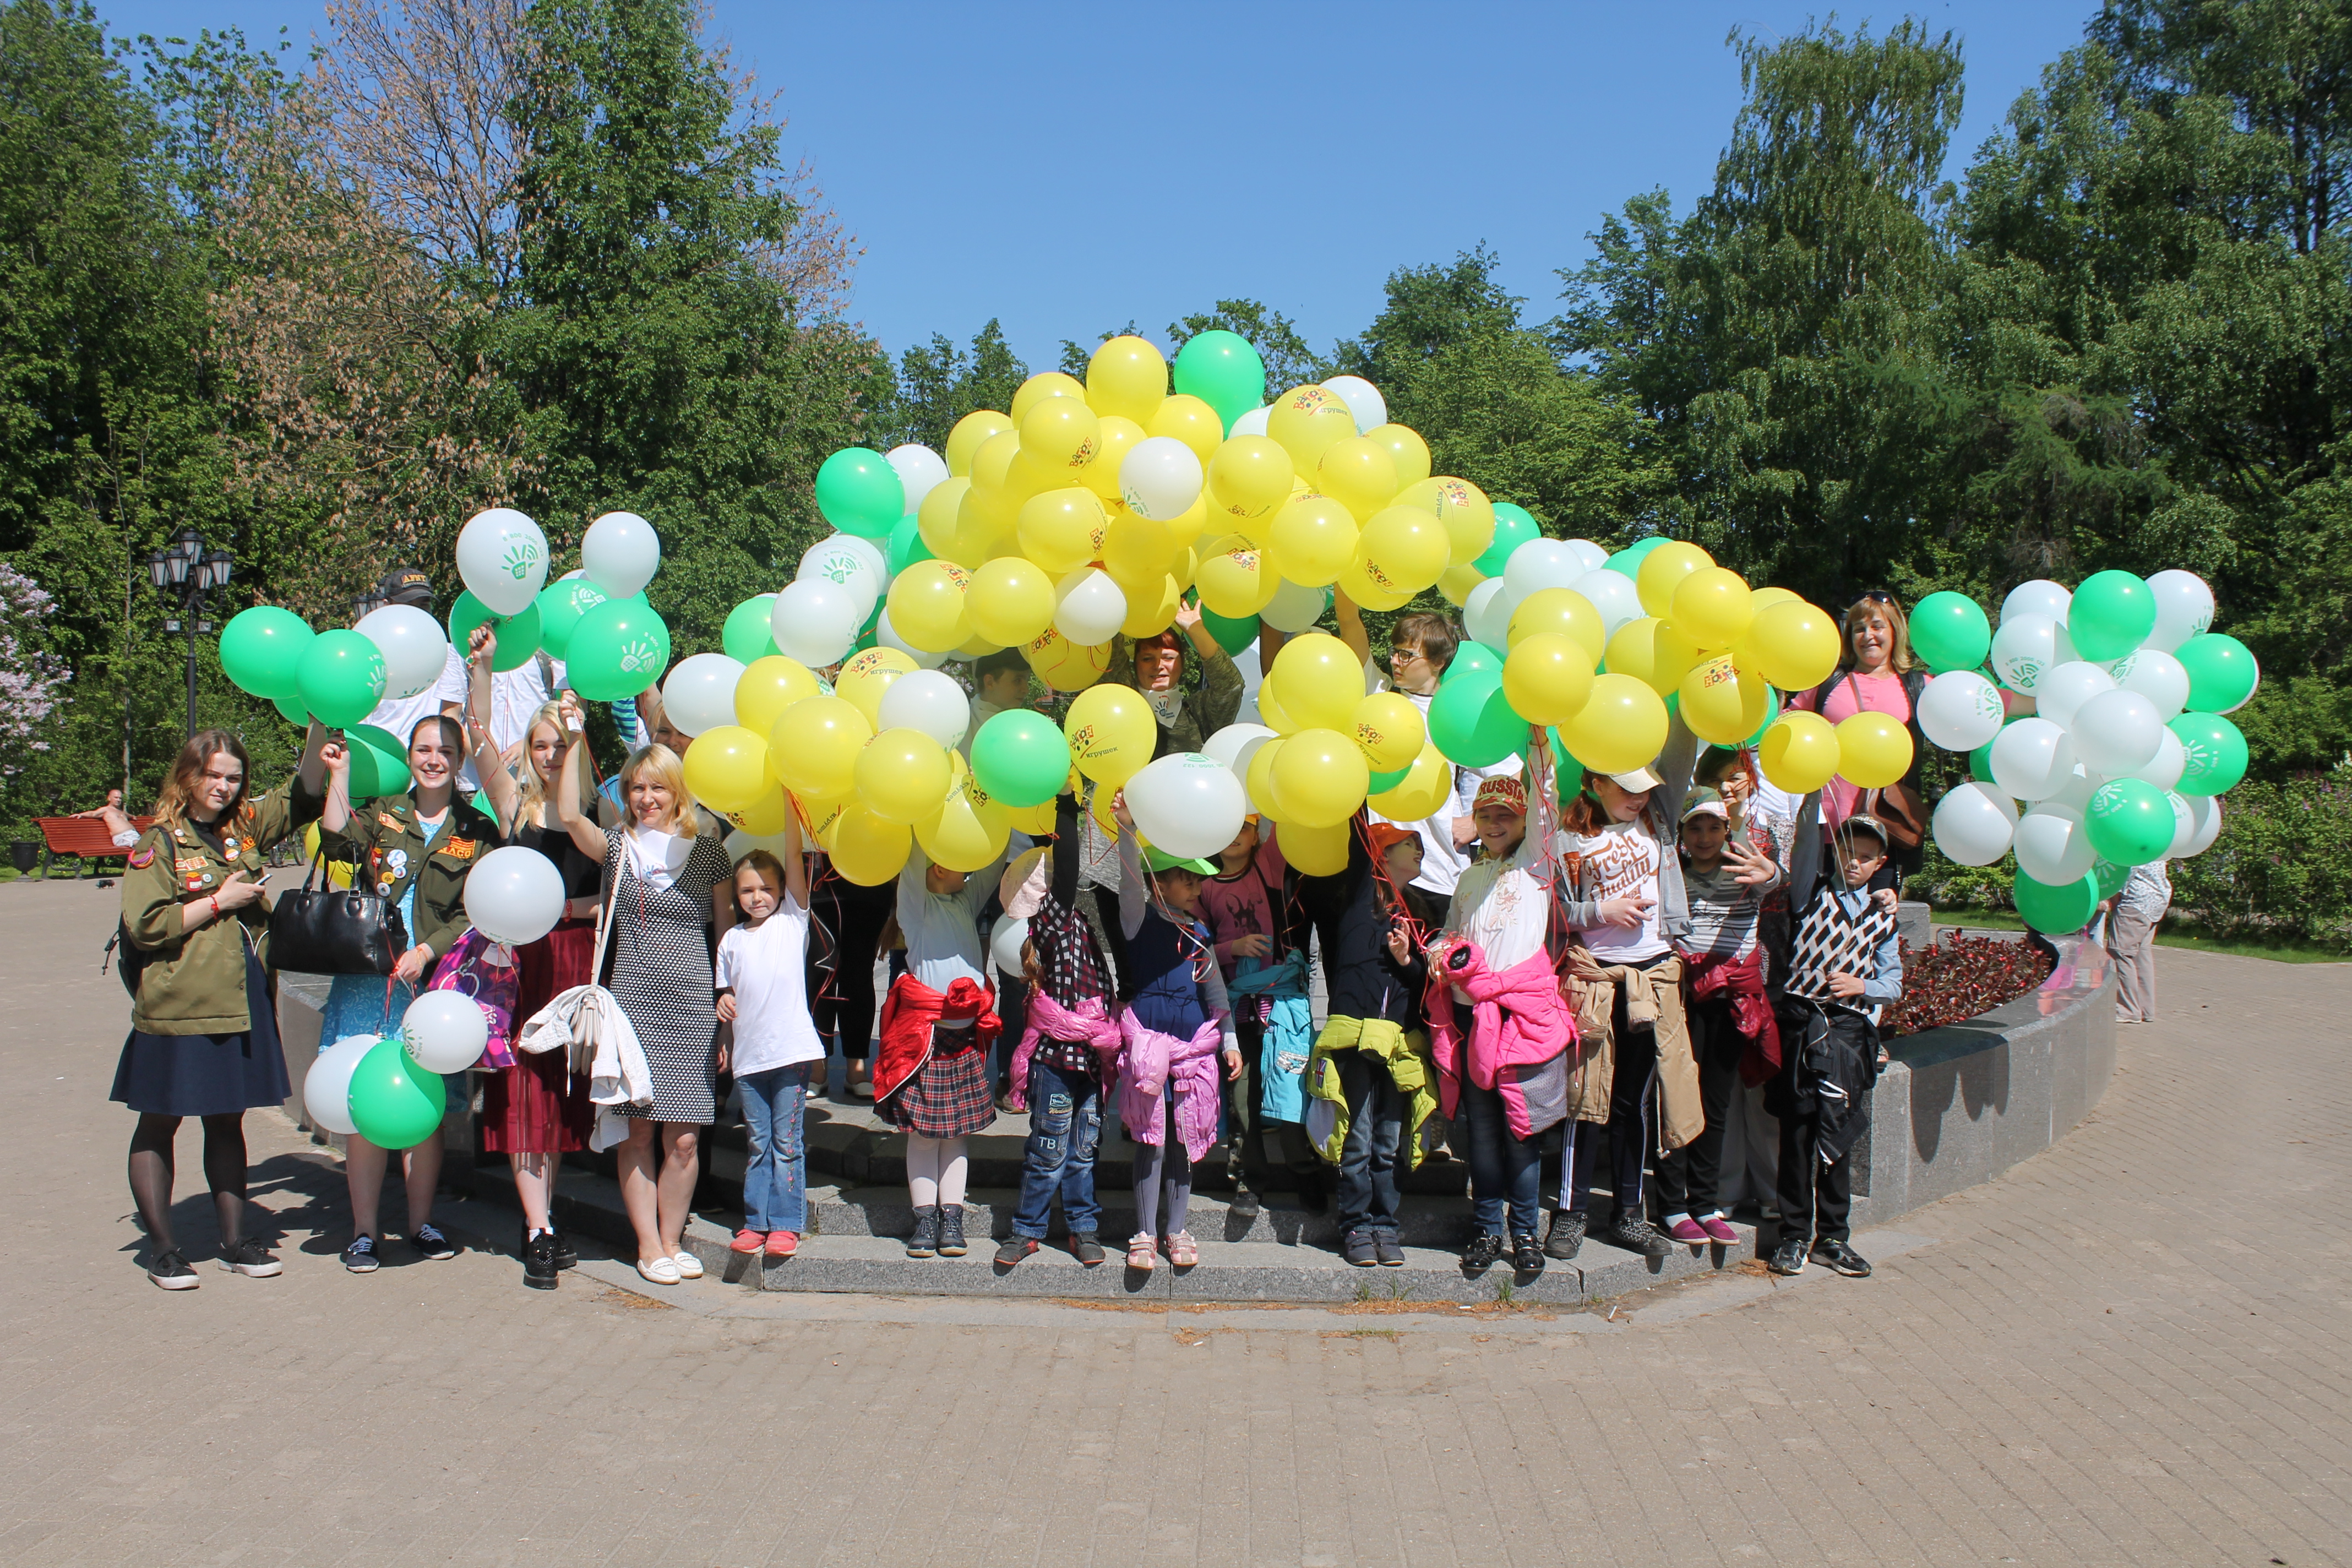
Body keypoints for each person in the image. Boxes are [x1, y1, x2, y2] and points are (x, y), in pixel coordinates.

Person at [115, 725, 332, 1288]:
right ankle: (163, 1249)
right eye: (213, 775)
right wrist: (220, 900)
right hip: (180, 1003)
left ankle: (236, 1241)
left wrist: (320, 722)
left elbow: (302, 792)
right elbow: (147, 923)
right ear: (189, 775)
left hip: (241, 999)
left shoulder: (243, 827)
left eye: (233, 778)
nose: (223, 786)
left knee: (227, 1120)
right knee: (161, 1120)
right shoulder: (158, 842)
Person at [318, 704, 508, 1273]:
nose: (434, 760)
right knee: (365, 1104)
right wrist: (339, 775)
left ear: (459, 762)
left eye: (446, 751)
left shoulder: (477, 830)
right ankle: (364, 1232)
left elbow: (480, 907)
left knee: (423, 1108)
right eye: (424, 749)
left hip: (436, 985)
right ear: (410, 757)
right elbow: (335, 841)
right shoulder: (383, 813)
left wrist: (427, 950)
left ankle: (421, 1222)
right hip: (370, 979)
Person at [556, 735, 735, 1287]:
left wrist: (727, 1013)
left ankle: (675, 1239)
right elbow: (567, 814)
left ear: (677, 791)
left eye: (657, 786)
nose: (646, 797)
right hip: (634, 1003)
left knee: (683, 1138)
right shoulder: (618, 846)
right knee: (637, 1131)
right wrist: (571, 742)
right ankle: (648, 1244)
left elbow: (726, 933)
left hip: (692, 1008)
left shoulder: (709, 852)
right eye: (637, 787)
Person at [470, 635, 606, 1288]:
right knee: (524, 1091)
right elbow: (476, 737)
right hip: (522, 967)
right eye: (541, 743)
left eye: (561, 742)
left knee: (559, 1097)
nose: (550, 753)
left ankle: (547, 1216)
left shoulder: (593, 811)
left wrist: (573, 913)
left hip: (575, 964)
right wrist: (484, 670)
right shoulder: (512, 805)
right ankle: (538, 1229)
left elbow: (608, 895)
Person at [1550, 723, 1703, 1264]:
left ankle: (1629, 1214)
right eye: (1626, 787)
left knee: (1634, 1101)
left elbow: (1683, 750)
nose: (1637, 796)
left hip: (1650, 977)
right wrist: (1600, 912)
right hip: (1594, 979)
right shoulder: (1569, 837)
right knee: (1584, 1098)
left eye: (1643, 786)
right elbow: (1553, 912)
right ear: (1594, 783)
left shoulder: (1657, 816)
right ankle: (1569, 1213)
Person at [1430, 766, 1572, 1276]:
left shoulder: (1536, 864)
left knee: (1522, 1132)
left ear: (1522, 821)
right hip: (1474, 1022)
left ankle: (1526, 1234)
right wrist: (1438, 952)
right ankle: (1488, 1229)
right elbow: (1448, 934)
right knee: (1484, 1133)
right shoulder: (1467, 877)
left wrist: (1539, 735)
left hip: (1522, 1022)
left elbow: (1547, 799)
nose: (1493, 825)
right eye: (1484, 816)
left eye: (1504, 816)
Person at [1767, 813, 1904, 1278]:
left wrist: (1861, 985)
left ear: (1879, 864)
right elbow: (1806, 842)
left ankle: (1833, 1237)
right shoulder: (1810, 895)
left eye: (1866, 857)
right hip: (1801, 1024)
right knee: (1797, 1134)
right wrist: (1810, 795)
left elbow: (1893, 981)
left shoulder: (1884, 916)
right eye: (1849, 850)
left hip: (1847, 1036)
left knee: (1837, 1134)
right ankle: (1792, 1235)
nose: (1855, 861)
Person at [1298, 819, 1440, 1267]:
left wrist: (1408, 962)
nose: (1419, 850)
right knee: (1357, 1140)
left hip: (1397, 1042)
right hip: (1355, 1040)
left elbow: (1422, 984)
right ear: (1380, 855)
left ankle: (1385, 1224)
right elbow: (1357, 833)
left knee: (1388, 1140)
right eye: (1408, 843)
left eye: (1420, 844)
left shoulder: (1418, 910)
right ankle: (1356, 1224)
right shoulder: (1363, 896)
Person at [1110, 802, 1240, 1272]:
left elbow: (1216, 994)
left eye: (1197, 879)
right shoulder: (1138, 921)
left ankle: (1176, 1229)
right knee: (1152, 1142)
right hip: (1148, 1057)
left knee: (1184, 1141)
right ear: (1160, 882)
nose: (1196, 886)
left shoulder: (1200, 933)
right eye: (1187, 878)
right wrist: (1127, 829)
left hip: (1191, 1058)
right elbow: (1128, 880)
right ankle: (1143, 1232)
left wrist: (1229, 1041)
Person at [1654, 787, 1783, 1248]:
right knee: (1674, 1100)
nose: (1705, 836)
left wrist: (1769, 870)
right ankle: (1670, 1206)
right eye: (1695, 826)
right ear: (1682, 833)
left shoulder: (1745, 870)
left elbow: (1773, 877)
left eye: (1714, 826)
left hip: (1732, 1004)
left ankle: (1705, 1203)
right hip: (1682, 1002)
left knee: (1716, 1105)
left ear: (1728, 830)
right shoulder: (1670, 875)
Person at [995, 794, 1120, 1269]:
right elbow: (1067, 864)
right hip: (1055, 1059)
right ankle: (1027, 1229)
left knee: (1084, 1149)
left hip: (1089, 1057)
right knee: (1048, 1147)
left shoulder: (1080, 925)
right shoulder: (1049, 924)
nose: (1059, 880)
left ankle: (1082, 1228)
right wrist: (1067, 804)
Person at [874, 842, 1008, 1260]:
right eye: (950, 861)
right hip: (926, 1042)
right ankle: (924, 1219)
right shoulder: (917, 907)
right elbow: (912, 866)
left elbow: (991, 862)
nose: (963, 870)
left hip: (964, 1041)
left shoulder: (965, 900)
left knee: (956, 1135)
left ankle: (952, 1217)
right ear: (934, 867)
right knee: (924, 1136)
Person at [1199, 814, 1321, 1217]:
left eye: (1244, 827)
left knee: (1291, 1092)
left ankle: (1306, 1171)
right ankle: (1249, 1180)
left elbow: (1279, 815)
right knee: (1242, 1098)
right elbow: (1196, 948)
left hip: (1282, 1007)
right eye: (1227, 826)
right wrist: (1231, 949)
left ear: (1256, 837)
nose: (1234, 835)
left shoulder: (1268, 868)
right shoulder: (1205, 886)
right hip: (1238, 1010)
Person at [716, 842, 820, 1260]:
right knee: (759, 1142)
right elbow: (729, 997)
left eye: (765, 888)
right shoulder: (731, 940)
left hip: (790, 1055)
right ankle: (756, 1221)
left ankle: (786, 1223)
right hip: (749, 1060)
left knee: (786, 1141)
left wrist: (789, 802)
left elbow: (795, 858)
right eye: (747, 890)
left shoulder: (791, 923)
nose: (757, 897)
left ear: (781, 892)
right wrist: (723, 1012)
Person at [1787, 592, 1929, 889]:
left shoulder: (1918, 686)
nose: (1868, 636)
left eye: (1877, 626)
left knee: (1876, 922)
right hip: (1826, 824)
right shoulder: (1828, 681)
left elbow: (1976, 704)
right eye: (1859, 629)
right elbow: (1788, 724)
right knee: (1819, 921)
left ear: (1894, 631)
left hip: (1883, 830)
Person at [2108, 859, 2171, 1024]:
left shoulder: (2130, 846)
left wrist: (2115, 896)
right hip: (2156, 900)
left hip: (2135, 901)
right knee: (2142, 954)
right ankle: (2145, 1009)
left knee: (2120, 952)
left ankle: (2128, 1009)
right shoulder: (2155, 843)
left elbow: (2123, 874)